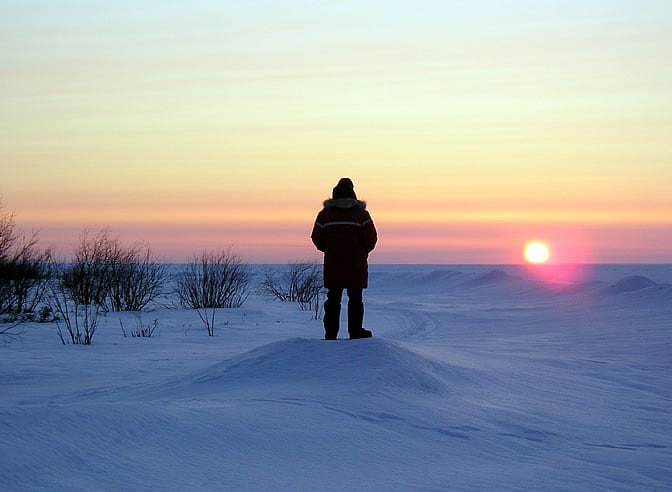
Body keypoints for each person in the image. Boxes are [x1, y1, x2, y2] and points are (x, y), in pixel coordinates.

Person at [311, 178, 378, 340]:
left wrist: (329, 250)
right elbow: (371, 239)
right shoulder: (362, 215)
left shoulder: (325, 215)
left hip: (333, 264)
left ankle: (331, 334)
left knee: (333, 299)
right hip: (356, 264)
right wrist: (362, 252)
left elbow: (316, 238)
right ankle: (355, 332)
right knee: (356, 298)